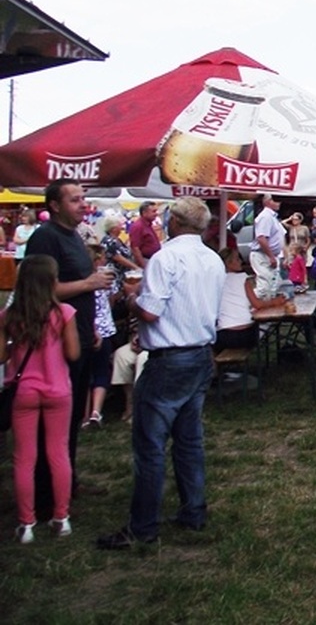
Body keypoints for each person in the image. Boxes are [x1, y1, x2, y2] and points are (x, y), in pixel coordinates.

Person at [96, 196, 225, 549]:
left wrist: (132, 298)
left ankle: (143, 526)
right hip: (199, 353)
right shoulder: (212, 259)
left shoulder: (165, 258)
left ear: (175, 222)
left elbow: (151, 312)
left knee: (150, 445)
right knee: (189, 439)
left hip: (170, 358)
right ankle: (193, 510)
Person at [26, 178, 114, 512]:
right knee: (53, 421)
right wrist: (89, 283)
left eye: (83, 198)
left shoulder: (75, 235)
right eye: (74, 199)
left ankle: (67, 481)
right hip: (55, 343)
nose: (83, 204)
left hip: (80, 335)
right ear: (54, 205)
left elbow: (78, 289)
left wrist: (90, 325)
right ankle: (46, 494)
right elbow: (40, 290)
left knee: (74, 412)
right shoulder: (45, 238)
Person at [2, 255, 82, 543]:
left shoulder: (9, 316)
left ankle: (26, 524)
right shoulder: (64, 313)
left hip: (24, 392)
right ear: (52, 282)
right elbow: (73, 354)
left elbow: (1, 356)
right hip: (58, 390)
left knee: (24, 457)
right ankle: (61, 518)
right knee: (58, 453)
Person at [217, 246, 286, 353]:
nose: (241, 261)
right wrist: (274, 302)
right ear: (228, 263)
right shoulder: (243, 278)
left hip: (226, 334)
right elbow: (257, 304)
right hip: (247, 334)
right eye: (237, 259)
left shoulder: (216, 281)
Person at [82, 245, 120, 429]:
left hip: (84, 330)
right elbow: (113, 300)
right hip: (104, 330)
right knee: (101, 371)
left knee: (84, 373)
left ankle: (83, 415)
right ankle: (96, 412)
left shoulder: (79, 279)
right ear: (97, 259)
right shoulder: (106, 277)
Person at [250, 193, 286, 300]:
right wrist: (271, 256)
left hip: (271, 255)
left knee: (273, 286)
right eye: (275, 200)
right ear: (267, 202)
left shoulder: (273, 217)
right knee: (264, 287)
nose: (279, 203)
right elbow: (261, 238)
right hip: (262, 255)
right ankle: (248, 304)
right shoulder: (265, 217)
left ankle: (267, 306)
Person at [98, 213, 138, 287]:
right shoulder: (109, 241)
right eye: (119, 225)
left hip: (123, 274)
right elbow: (118, 258)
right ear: (114, 228)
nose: (122, 227)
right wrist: (136, 268)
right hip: (115, 275)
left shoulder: (117, 240)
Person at [128, 201, 161, 269]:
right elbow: (135, 248)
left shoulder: (148, 225)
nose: (156, 214)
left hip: (153, 259)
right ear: (144, 213)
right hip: (146, 260)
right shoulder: (138, 226)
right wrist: (144, 266)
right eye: (153, 211)